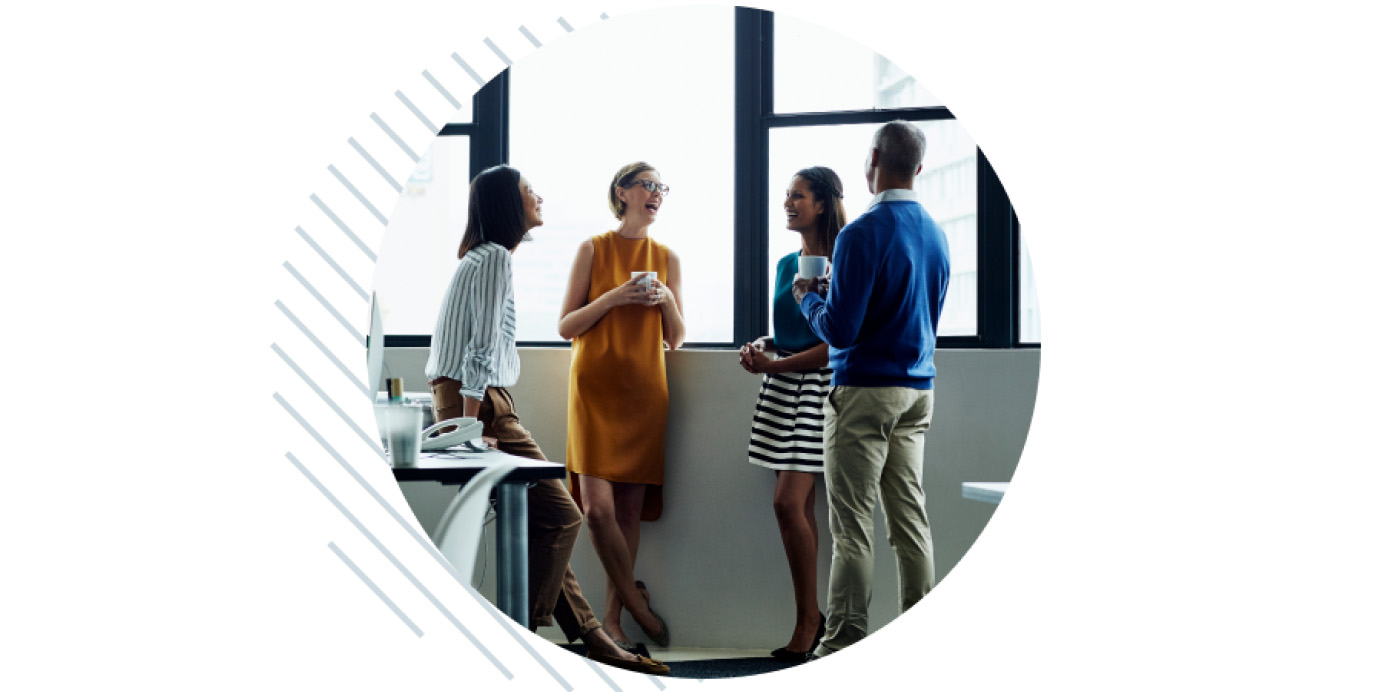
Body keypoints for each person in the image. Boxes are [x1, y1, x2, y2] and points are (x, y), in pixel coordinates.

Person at [424, 165, 668, 675]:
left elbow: (474, 350)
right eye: (529, 192)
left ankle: (594, 640)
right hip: (481, 404)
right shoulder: (494, 260)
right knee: (564, 515)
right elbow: (480, 350)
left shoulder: (482, 257)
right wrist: (472, 431)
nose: (539, 198)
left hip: (480, 400)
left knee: (544, 521)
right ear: (508, 206)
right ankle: (523, 642)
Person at [793, 121, 950, 658]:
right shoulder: (937, 233)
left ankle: (840, 647)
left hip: (862, 393)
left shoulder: (860, 233)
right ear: (920, 168)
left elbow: (841, 330)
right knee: (910, 521)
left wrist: (809, 298)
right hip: (917, 392)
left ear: (875, 160)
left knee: (852, 528)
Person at [559, 162, 685, 654]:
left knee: (629, 514)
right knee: (597, 511)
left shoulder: (667, 257)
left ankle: (613, 621)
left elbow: (675, 339)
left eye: (661, 188)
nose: (656, 194)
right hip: (594, 393)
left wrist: (665, 301)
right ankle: (637, 603)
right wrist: (615, 297)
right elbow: (566, 326)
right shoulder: (593, 248)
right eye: (648, 185)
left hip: (644, 395)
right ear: (623, 192)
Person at [737, 166, 846, 662]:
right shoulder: (785, 264)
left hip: (819, 386)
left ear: (822, 203)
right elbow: (788, 330)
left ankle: (810, 619)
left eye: (797, 195)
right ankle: (812, 617)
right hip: (783, 386)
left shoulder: (844, 258)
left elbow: (833, 345)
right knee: (793, 507)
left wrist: (775, 364)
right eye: (786, 195)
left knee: (788, 503)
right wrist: (762, 347)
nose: (787, 202)